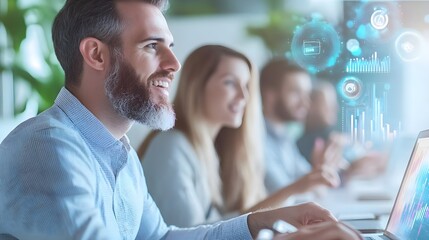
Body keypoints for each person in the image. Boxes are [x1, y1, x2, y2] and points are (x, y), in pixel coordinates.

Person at [0, 0, 362, 239]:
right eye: (152, 46)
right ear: (96, 54)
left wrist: (263, 224)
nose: (174, 64)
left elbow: (162, 237)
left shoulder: (116, 150)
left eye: (170, 46)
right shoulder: (49, 148)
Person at [140, 45, 340, 228]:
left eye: (246, 86)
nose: (244, 97)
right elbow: (191, 233)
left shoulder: (208, 147)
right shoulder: (172, 146)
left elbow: (218, 224)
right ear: (197, 86)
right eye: (229, 83)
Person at [260, 58, 343, 195]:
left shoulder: (284, 136)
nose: (306, 103)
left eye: (307, 94)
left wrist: (323, 167)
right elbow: (284, 193)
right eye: (296, 92)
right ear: (270, 95)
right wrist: (318, 174)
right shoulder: (257, 138)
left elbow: (313, 186)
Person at [297, 80, 388, 181]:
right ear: (311, 105)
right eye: (328, 103)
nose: (336, 108)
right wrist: (351, 169)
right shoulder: (307, 144)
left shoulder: (334, 137)